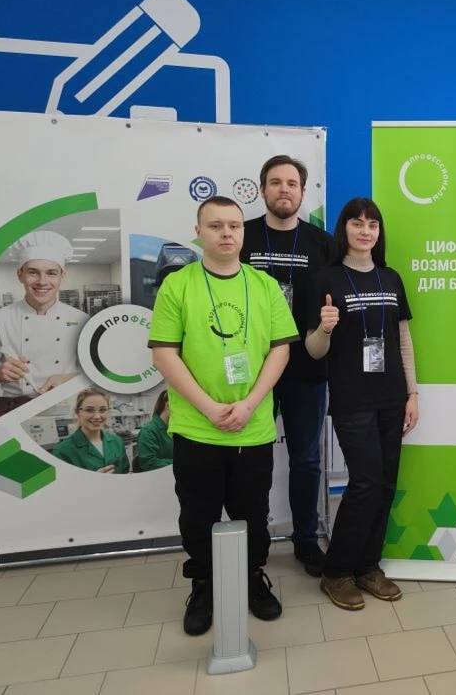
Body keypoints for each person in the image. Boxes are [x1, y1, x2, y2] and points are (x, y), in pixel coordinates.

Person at [149, 196, 299, 636]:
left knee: (252, 512)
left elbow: (280, 349)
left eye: (234, 225)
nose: (227, 233)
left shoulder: (265, 286)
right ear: (199, 232)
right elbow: (164, 354)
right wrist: (210, 407)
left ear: (243, 232)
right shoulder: (178, 286)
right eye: (215, 226)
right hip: (198, 427)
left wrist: (249, 404)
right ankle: (204, 586)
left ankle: (252, 579)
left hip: (253, 426)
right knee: (198, 514)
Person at [305, 197, 419, 611]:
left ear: (379, 232)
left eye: (372, 224)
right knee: (365, 482)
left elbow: (403, 340)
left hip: (392, 396)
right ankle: (336, 571)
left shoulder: (391, 278)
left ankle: (368, 566)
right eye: (357, 223)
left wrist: (413, 393)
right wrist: (324, 329)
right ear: (345, 229)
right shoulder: (325, 279)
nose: (365, 230)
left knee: (385, 484)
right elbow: (313, 351)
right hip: (353, 399)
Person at [241, 155, 336, 577]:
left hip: (307, 370)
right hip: (251, 370)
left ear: (302, 191)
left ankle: (305, 540)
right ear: (262, 189)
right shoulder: (241, 236)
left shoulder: (323, 244)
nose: (284, 189)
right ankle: (252, 544)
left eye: (292, 183)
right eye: (276, 182)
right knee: (251, 460)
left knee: (307, 460)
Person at [0, 231, 88, 422]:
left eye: (51, 273)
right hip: (15, 410)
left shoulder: (81, 319)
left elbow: (95, 372)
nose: (42, 281)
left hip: (68, 409)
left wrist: (67, 379)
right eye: (33, 272)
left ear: (62, 276)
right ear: (20, 275)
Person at [53, 388, 130, 474]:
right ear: (78, 412)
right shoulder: (62, 451)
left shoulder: (117, 441)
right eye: (89, 410)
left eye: (102, 410)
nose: (97, 416)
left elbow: (125, 472)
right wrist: (92, 480)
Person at [135, 389, 173, 472]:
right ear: (168, 406)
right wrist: (180, 462)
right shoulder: (148, 431)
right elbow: (149, 463)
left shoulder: (175, 430)